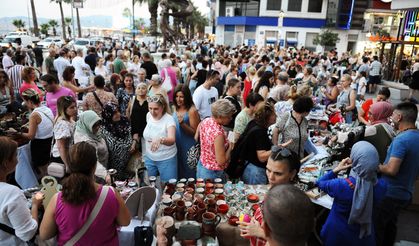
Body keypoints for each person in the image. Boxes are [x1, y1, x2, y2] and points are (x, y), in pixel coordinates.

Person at [39, 142, 131, 244]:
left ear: (69, 166)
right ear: (94, 167)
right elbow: (125, 221)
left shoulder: (57, 199)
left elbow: (44, 234)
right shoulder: (110, 194)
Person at [317, 141, 387, 246]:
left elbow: (319, 182)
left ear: (355, 160)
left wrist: (337, 169)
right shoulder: (381, 186)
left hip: (337, 236)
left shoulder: (341, 186)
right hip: (363, 238)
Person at [237, 146, 302, 246]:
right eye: (268, 170)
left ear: (292, 174)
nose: (270, 177)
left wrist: (259, 232)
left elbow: (287, 242)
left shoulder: (290, 203)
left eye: (278, 173)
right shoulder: (277, 189)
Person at [375, 102, 419, 246]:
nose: (391, 117)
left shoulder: (402, 139)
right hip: (405, 193)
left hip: (390, 193)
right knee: (390, 226)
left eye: (393, 115)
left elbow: (392, 170)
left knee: (378, 229)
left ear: (399, 117)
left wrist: (375, 165)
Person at [0, 137, 42, 245]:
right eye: (15, 156)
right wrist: (35, 205)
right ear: (5, 163)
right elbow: (28, 233)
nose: (18, 159)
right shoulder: (11, 193)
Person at [196, 99, 236, 182]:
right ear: (220, 117)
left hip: (202, 165)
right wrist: (230, 148)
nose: (231, 118)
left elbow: (196, 137)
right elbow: (221, 161)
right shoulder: (218, 134)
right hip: (212, 173)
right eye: (228, 117)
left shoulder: (205, 121)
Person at [19, 89, 54, 176]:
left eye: (25, 102)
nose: (25, 104)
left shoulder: (34, 115)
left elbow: (31, 136)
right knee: (45, 167)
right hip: (49, 141)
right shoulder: (47, 109)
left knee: (42, 171)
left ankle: (46, 186)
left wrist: (17, 133)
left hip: (39, 145)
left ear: (30, 102)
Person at [143, 94, 177, 182]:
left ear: (163, 107)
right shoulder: (148, 116)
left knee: (169, 187)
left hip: (166, 159)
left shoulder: (169, 119)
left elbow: (172, 139)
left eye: (156, 109)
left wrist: (160, 139)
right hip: (150, 158)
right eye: (150, 108)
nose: (152, 112)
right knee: (150, 186)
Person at [241, 102, 277, 184]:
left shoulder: (253, 123)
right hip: (256, 172)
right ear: (267, 117)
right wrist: (277, 149)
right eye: (274, 114)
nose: (276, 116)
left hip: (249, 168)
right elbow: (262, 157)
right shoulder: (260, 131)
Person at [173, 84, 200, 179]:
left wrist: (183, 124)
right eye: (176, 96)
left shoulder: (192, 110)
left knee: (190, 175)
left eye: (181, 97)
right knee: (179, 173)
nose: (178, 99)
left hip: (189, 148)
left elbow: (195, 132)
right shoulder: (176, 108)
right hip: (177, 146)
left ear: (187, 97)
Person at [102, 103, 134, 180]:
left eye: (118, 111)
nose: (118, 114)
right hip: (114, 168)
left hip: (129, 164)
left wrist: (134, 143)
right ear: (108, 115)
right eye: (114, 113)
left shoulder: (125, 121)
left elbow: (133, 133)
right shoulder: (104, 129)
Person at [74, 110, 109, 181]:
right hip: (95, 175)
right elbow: (93, 161)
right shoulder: (86, 141)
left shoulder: (88, 130)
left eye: (98, 124)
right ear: (87, 124)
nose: (97, 127)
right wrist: (105, 175)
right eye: (94, 125)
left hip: (101, 168)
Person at [50, 96, 77, 170]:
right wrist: (67, 164)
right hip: (61, 158)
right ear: (64, 109)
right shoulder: (63, 123)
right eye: (71, 107)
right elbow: (61, 147)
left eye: (75, 106)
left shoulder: (69, 119)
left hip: (68, 154)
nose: (75, 109)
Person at [127, 83, 149, 157]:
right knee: (136, 153)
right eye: (139, 88)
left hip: (146, 129)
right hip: (135, 130)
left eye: (143, 88)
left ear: (147, 90)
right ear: (136, 90)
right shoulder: (132, 99)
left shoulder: (149, 100)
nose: (141, 90)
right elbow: (128, 112)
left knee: (146, 153)